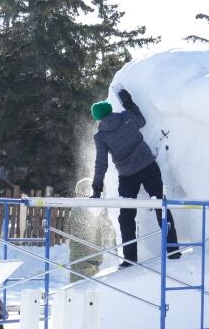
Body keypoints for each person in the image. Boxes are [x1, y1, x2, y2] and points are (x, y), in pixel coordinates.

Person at [90, 88, 180, 266]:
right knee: (161, 207)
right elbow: (142, 121)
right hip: (149, 167)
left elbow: (101, 163)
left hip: (127, 176)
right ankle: (173, 250)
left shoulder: (100, 136)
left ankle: (130, 259)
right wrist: (129, 103)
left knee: (126, 217)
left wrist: (97, 188)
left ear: (98, 118)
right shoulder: (126, 117)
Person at [66, 178, 116, 282]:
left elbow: (107, 231)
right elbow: (89, 224)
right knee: (80, 288)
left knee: (90, 292)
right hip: (81, 256)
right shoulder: (78, 208)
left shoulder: (96, 208)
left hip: (94, 257)